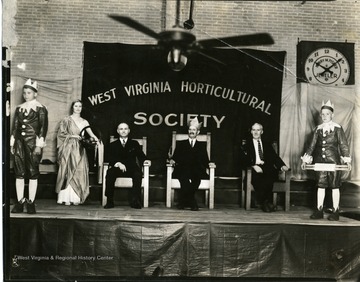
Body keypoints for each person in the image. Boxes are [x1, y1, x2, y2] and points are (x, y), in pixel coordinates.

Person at [301, 100, 351, 221]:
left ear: (332, 115)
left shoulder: (338, 129)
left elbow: (343, 145)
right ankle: (319, 210)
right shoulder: (318, 129)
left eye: (327, 114)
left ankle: (335, 211)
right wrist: (306, 160)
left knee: (334, 186)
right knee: (321, 185)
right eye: (322, 114)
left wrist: (347, 160)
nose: (324, 116)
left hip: (333, 162)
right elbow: (311, 146)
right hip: (319, 162)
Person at [10, 79, 48, 214]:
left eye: (29, 93)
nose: (26, 95)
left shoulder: (41, 108)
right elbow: (15, 127)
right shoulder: (19, 108)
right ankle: (20, 202)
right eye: (25, 93)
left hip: (33, 144)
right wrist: (12, 143)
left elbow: (43, 128)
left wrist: (39, 145)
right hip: (19, 143)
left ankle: (31, 202)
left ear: (35, 94)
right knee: (19, 172)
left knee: (32, 172)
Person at [56, 100, 100, 205]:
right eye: (76, 106)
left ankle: (76, 197)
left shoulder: (85, 121)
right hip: (69, 149)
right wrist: (73, 136)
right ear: (72, 107)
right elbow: (61, 135)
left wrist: (98, 141)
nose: (78, 108)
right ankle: (66, 198)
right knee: (68, 171)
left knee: (79, 170)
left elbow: (91, 134)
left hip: (80, 149)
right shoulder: (66, 120)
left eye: (80, 106)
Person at [240, 122, 289, 212]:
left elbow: (275, 157)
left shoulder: (267, 144)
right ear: (251, 131)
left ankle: (265, 203)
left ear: (262, 132)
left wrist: (282, 166)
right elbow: (243, 160)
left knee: (270, 175)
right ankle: (267, 203)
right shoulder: (246, 146)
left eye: (258, 130)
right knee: (259, 178)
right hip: (253, 169)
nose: (255, 132)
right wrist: (254, 166)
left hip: (266, 168)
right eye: (253, 130)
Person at [104, 122, 149, 209]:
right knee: (110, 173)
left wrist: (146, 160)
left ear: (129, 131)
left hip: (131, 168)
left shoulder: (134, 143)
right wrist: (118, 163)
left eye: (125, 129)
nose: (123, 131)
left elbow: (141, 156)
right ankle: (109, 201)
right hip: (117, 168)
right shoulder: (112, 145)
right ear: (118, 131)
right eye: (121, 129)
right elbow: (108, 158)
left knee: (138, 174)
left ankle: (135, 201)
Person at [169, 117, 209, 211]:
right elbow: (174, 158)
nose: (191, 131)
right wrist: (172, 160)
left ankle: (183, 201)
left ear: (197, 132)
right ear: (188, 131)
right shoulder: (181, 144)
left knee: (196, 180)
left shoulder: (201, 146)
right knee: (184, 180)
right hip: (183, 170)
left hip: (196, 171)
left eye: (194, 130)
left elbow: (206, 161)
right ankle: (192, 202)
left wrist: (210, 164)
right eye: (190, 129)